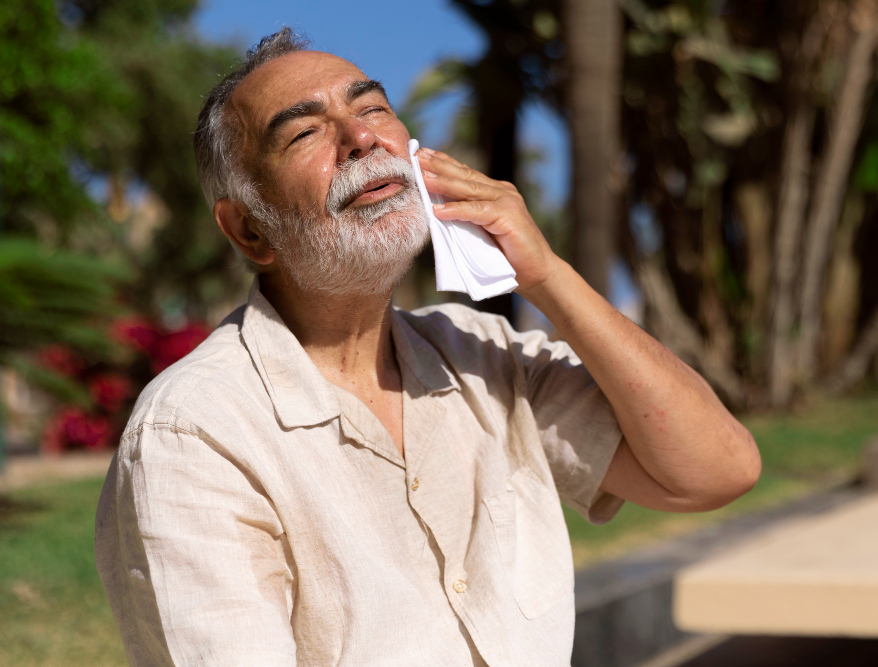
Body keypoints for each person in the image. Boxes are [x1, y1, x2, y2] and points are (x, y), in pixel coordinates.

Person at [95, 28, 760, 667]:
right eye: (304, 131)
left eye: (374, 108)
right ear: (248, 228)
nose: (360, 138)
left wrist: (547, 276)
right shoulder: (195, 432)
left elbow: (715, 469)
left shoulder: (482, 353)